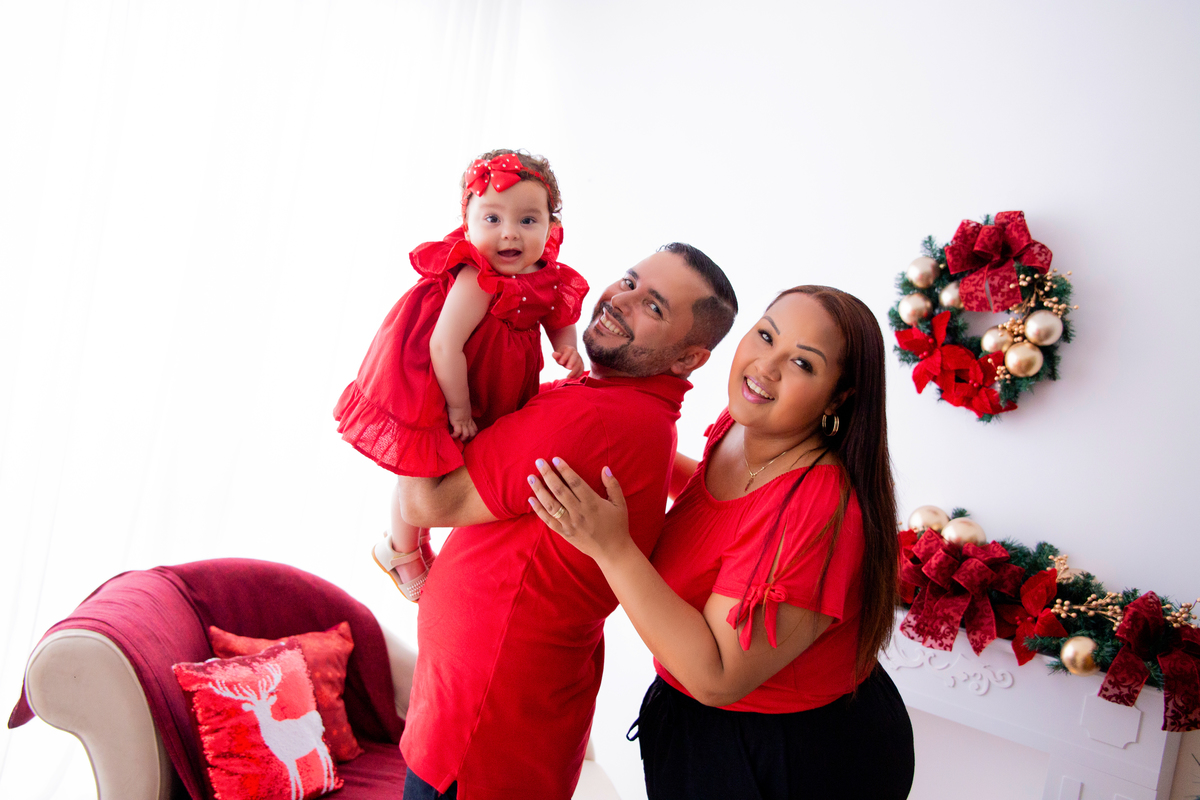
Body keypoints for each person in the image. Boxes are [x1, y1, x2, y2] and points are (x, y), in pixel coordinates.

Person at [528, 286, 916, 799]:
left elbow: (718, 677)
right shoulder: (746, 426)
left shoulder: (815, 506)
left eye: (802, 363)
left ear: (839, 397)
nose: (766, 367)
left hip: (790, 758)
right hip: (698, 724)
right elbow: (718, 506)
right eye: (766, 336)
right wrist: (624, 444)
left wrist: (611, 548)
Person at [394, 244, 738, 800]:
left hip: (481, 735)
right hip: (487, 719)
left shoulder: (594, 417)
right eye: (629, 281)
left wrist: (415, 365)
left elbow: (425, 503)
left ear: (687, 359)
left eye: (653, 306)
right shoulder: (618, 405)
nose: (621, 300)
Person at [333, 149, 589, 601]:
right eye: (492, 219)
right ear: (467, 225)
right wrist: (459, 409)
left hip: (490, 373)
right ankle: (401, 550)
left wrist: (565, 346)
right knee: (420, 459)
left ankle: (420, 543)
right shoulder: (478, 277)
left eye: (528, 220)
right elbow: (444, 345)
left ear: (552, 227)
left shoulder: (546, 273)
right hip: (441, 373)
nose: (510, 232)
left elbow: (557, 313)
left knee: (461, 466)